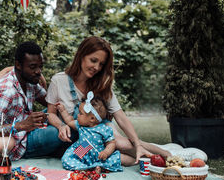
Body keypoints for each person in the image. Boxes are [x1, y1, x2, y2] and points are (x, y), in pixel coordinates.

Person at [46, 36, 171, 166]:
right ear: (81, 55)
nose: (96, 67)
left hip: (100, 130)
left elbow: (120, 117)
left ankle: (164, 155)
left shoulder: (101, 84)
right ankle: (154, 157)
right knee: (104, 155)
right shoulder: (59, 81)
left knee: (120, 143)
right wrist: (60, 126)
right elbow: (51, 113)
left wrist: (137, 144)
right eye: (93, 60)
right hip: (79, 135)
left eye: (101, 64)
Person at [0, 41, 64, 161]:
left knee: (72, 113)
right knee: (57, 133)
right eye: (33, 67)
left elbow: (50, 103)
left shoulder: (29, 80)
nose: (38, 71)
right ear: (18, 65)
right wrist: (22, 125)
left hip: (30, 130)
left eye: (40, 66)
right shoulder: (6, 91)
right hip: (19, 143)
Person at [58, 92, 122, 172]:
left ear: (92, 118)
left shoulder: (104, 129)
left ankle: (99, 166)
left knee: (114, 159)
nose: (77, 115)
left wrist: (106, 152)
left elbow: (111, 143)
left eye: (80, 113)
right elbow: (69, 120)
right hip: (83, 149)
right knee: (66, 158)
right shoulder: (80, 125)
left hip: (99, 154)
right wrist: (63, 110)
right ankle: (85, 167)